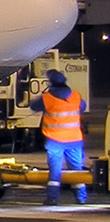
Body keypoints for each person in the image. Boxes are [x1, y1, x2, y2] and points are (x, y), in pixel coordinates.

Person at [34, 69, 88, 205]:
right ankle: (81, 198)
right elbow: (82, 107)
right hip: (74, 139)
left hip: (55, 140)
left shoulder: (47, 98)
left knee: (55, 171)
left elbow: (34, 106)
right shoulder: (75, 96)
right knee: (77, 170)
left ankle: (52, 198)